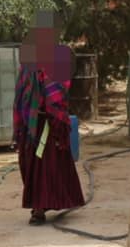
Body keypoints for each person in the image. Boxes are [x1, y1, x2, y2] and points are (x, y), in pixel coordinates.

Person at [12, 11, 85, 225]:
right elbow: (21, 92)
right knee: (32, 166)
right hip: (31, 124)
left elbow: (60, 88)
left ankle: (43, 206)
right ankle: (38, 207)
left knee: (50, 166)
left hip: (51, 123)